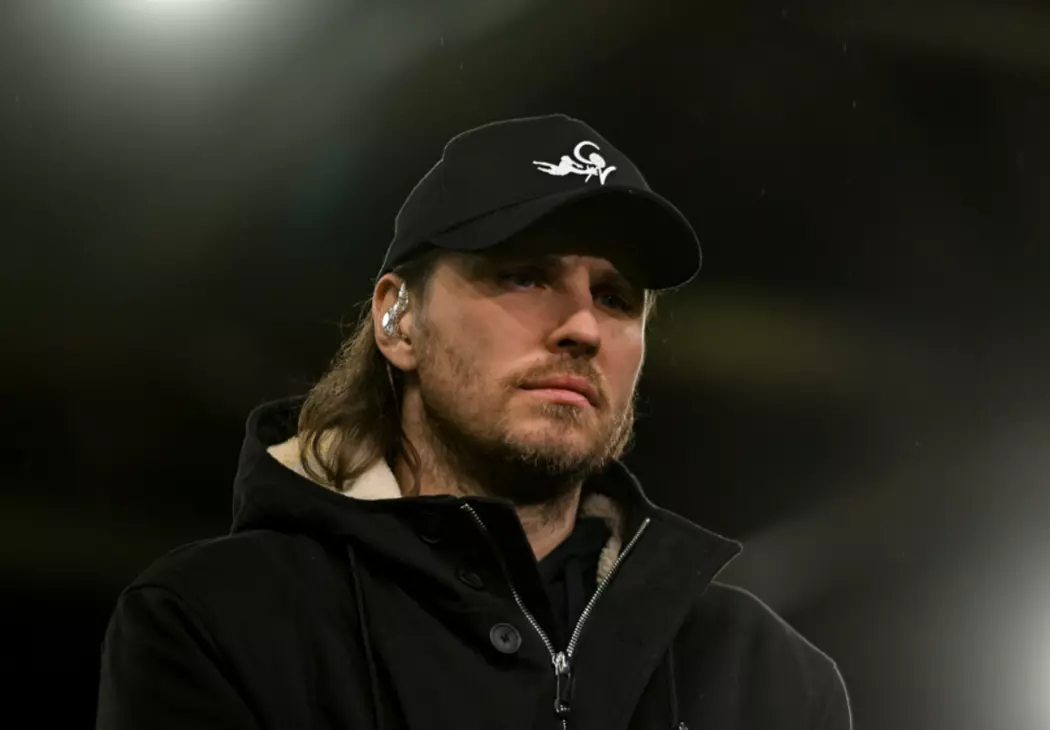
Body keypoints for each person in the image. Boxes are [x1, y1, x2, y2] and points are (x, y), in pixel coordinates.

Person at [97, 114, 851, 730]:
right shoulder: (216, 623)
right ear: (398, 318)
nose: (583, 327)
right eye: (525, 276)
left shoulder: (771, 678)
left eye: (616, 297)